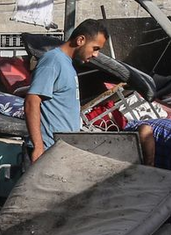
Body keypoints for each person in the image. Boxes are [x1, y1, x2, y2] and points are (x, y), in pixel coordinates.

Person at [24, 19, 109, 162]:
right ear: (81, 40)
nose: (96, 55)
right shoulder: (53, 61)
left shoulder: (67, 64)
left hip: (60, 151)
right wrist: (38, 147)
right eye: (95, 48)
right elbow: (32, 102)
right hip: (46, 152)